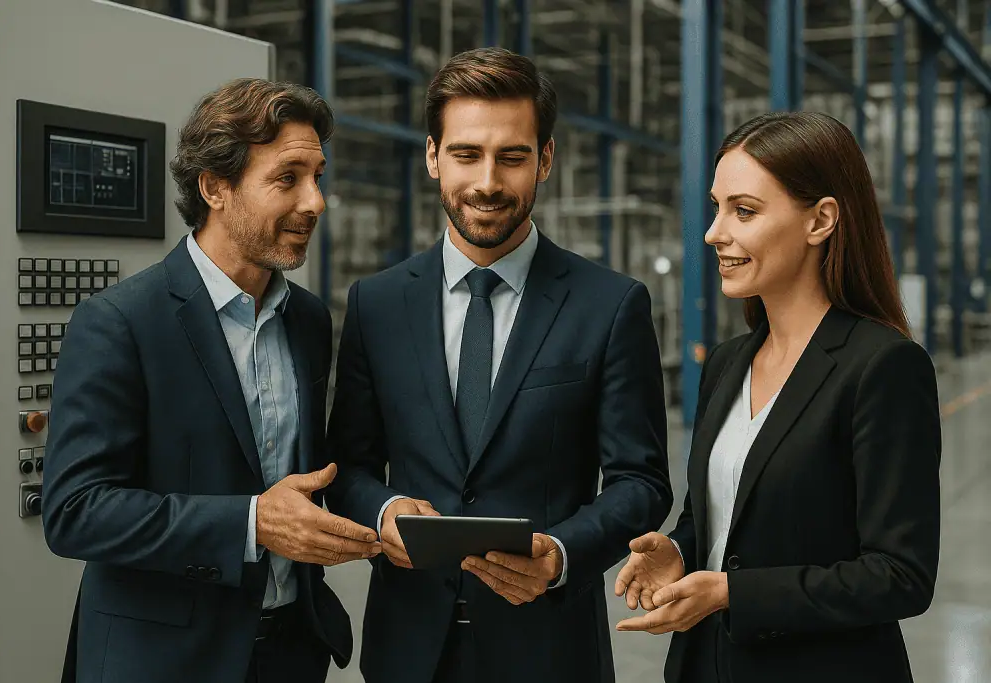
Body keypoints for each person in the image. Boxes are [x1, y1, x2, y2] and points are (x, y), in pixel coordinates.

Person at [324, 47, 673, 683]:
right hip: (408, 648)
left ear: (545, 160)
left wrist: (561, 553)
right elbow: (347, 464)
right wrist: (383, 510)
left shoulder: (610, 305)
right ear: (433, 156)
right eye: (466, 154)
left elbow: (641, 483)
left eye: (511, 157)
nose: (487, 181)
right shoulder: (375, 305)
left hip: (548, 647)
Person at [42, 78, 382, 683]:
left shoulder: (306, 320)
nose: (316, 202)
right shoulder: (119, 322)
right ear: (216, 187)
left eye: (318, 176)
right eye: (288, 178)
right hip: (162, 661)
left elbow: (310, 474)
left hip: (288, 652)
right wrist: (252, 522)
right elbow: (76, 511)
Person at [613, 111, 941, 683]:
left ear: (821, 220)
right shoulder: (726, 364)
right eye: (716, 208)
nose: (715, 232)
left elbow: (899, 574)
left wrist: (734, 593)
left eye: (744, 211)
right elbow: (716, 516)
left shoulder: (881, 367)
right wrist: (680, 553)